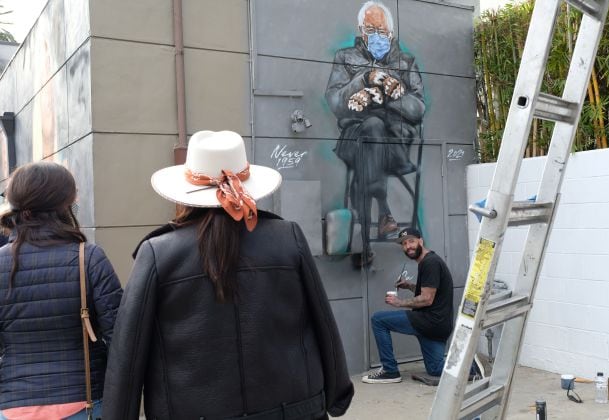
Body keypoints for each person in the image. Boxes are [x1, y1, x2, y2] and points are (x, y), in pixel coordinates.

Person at [103, 130, 354, 419]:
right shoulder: (288, 238)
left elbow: (129, 353)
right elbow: (322, 320)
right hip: (294, 410)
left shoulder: (158, 253)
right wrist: (338, 392)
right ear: (246, 186)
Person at [0, 161, 123, 419]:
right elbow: (120, 338)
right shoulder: (88, 257)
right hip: (84, 401)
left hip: (13, 403)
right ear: (64, 205)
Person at [326, 1, 425, 242]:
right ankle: (383, 211)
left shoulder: (405, 62)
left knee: (375, 133)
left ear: (390, 33)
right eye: (370, 31)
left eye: (381, 31)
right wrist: (364, 79)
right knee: (372, 127)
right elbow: (336, 102)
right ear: (360, 30)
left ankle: (366, 233)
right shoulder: (345, 57)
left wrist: (390, 95)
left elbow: (418, 109)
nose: (376, 36)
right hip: (354, 138)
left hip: (396, 146)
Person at [363, 227, 484, 385]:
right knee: (435, 369)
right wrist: (410, 286)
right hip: (438, 325)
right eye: (404, 244)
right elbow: (432, 291)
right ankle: (470, 366)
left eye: (411, 241)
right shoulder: (428, 261)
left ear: (421, 241)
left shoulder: (430, 263)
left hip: (429, 321)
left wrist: (399, 303)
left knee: (378, 320)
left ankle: (389, 370)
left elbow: (427, 299)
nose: (408, 246)